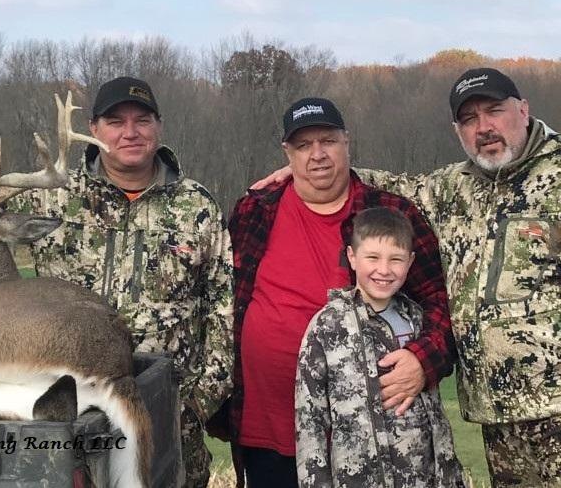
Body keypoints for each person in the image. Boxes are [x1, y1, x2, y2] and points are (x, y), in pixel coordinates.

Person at [0, 76, 234, 488]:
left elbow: (221, 318)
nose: (130, 132)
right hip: (58, 409)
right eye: (116, 121)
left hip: (165, 418)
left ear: (159, 126)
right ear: (95, 130)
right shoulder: (51, 194)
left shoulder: (197, 206)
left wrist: (185, 407)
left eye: (142, 120)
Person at [253, 67, 561, 487]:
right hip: (498, 412)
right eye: (469, 119)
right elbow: (393, 184)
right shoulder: (455, 187)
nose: (484, 127)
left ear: (524, 110)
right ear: (457, 130)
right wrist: (311, 167)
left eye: (494, 111)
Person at [226, 97, 455, 487]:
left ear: (346, 142)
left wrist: (423, 361)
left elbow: (441, 304)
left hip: (369, 439)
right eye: (303, 146)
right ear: (288, 153)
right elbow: (224, 300)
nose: (317, 155)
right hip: (267, 431)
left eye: (328, 141)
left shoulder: (390, 213)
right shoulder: (254, 211)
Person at [295, 207, 464, 487]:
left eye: (395, 259)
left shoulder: (418, 322)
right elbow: (309, 420)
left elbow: (436, 416)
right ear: (352, 257)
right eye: (372, 257)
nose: (383, 270)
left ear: (410, 263)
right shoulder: (327, 326)